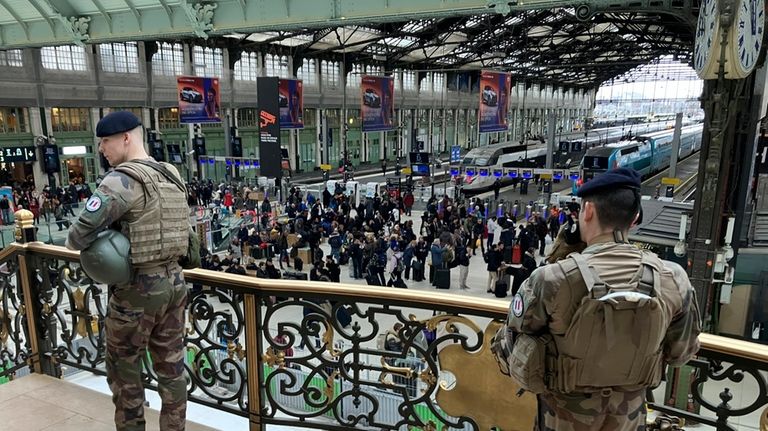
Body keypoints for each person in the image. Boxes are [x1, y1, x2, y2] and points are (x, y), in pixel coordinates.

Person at [493, 168, 701, 430]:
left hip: (561, 421)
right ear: (634, 217)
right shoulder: (674, 277)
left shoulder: (551, 279)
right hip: (630, 419)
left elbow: (507, 345)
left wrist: (562, 252)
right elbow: (682, 353)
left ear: (588, 210)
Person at [65, 111, 193, 431]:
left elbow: (76, 236)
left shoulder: (121, 180)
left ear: (126, 138)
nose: (101, 149)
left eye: (105, 141)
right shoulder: (171, 172)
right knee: (172, 369)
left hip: (137, 290)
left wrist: (112, 237)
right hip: (175, 283)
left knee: (124, 373)